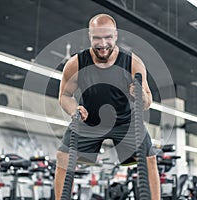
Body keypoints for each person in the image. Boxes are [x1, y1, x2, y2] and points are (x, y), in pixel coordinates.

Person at [55, 13, 160, 199]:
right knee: (63, 156)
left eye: (108, 38)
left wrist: (141, 95)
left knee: (149, 158)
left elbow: (147, 102)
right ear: (90, 36)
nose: (102, 44)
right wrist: (74, 110)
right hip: (90, 120)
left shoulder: (133, 63)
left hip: (125, 121)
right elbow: (64, 96)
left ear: (116, 36)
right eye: (97, 38)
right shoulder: (76, 64)